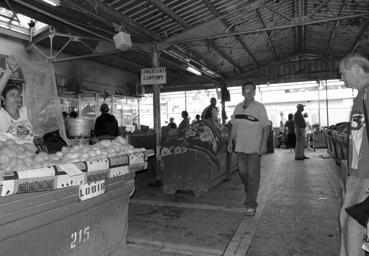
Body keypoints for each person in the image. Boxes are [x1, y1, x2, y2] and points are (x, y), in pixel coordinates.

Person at [339, 53, 369, 256]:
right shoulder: (361, 94)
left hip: (366, 175)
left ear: (357, 69)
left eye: (343, 73)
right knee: (345, 221)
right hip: (357, 174)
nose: (342, 79)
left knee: (352, 226)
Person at [227, 82, 269, 216]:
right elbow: (234, 126)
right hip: (240, 147)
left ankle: (251, 204)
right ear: (242, 92)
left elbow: (266, 127)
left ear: (255, 92)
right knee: (243, 173)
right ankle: (250, 192)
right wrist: (229, 142)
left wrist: (263, 145)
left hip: (254, 149)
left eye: (251, 90)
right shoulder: (238, 108)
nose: (248, 92)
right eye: (246, 90)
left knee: (252, 176)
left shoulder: (260, 108)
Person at [0, 55, 35, 144]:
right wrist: (8, 73)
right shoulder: (2, 115)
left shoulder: (25, 112)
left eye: (18, 95)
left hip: (31, 156)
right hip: (9, 157)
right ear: (3, 98)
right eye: (12, 95)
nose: (17, 98)